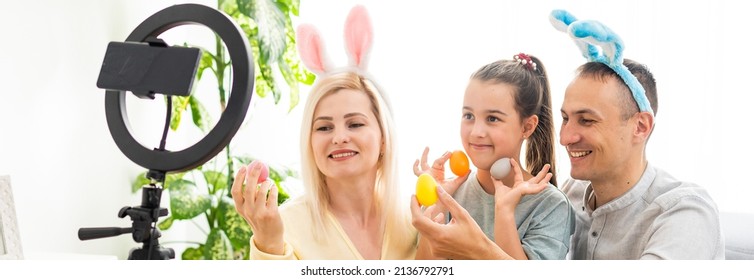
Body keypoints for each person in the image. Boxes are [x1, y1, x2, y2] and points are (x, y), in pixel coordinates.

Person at [230, 5, 417, 260]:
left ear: (384, 138)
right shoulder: (285, 226)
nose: (339, 137)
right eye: (324, 127)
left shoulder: (415, 218)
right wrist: (269, 244)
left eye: (355, 124)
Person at [551, 9, 724, 259]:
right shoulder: (572, 192)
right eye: (566, 118)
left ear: (641, 126)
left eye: (586, 120)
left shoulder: (685, 212)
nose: (565, 138)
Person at [411, 53, 575, 260]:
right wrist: (438, 205)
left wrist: (504, 213)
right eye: (469, 116)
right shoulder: (450, 193)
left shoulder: (550, 205)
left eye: (492, 118)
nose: (476, 132)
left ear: (527, 126)